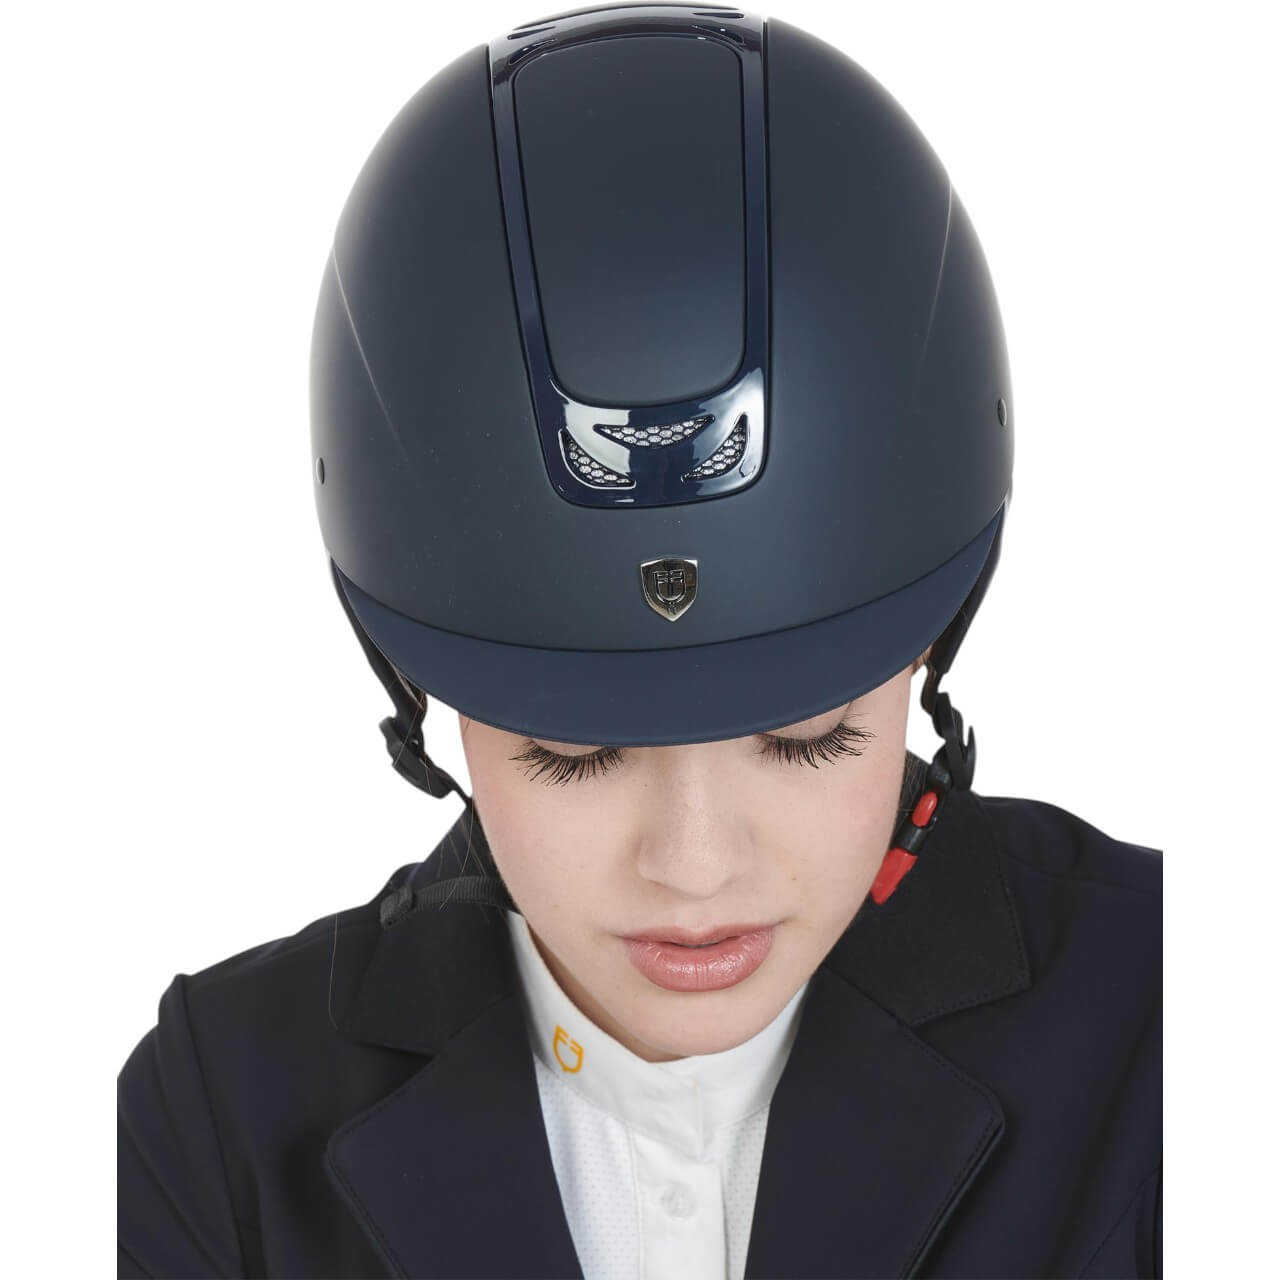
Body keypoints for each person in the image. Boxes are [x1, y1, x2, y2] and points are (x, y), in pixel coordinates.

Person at [117, 5, 1162, 1278]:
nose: (694, 865)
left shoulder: (1178, 1023)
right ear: (416, 690)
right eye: (570, 751)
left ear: (928, 649)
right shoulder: (212, 1125)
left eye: (809, 734)